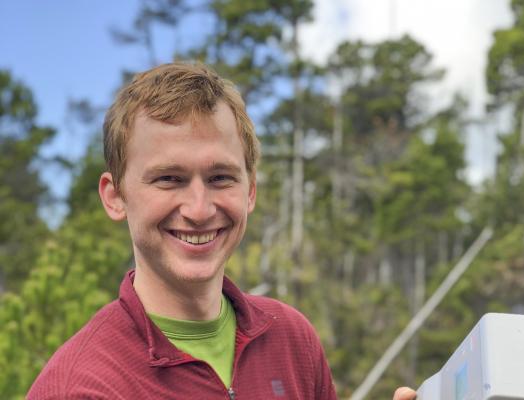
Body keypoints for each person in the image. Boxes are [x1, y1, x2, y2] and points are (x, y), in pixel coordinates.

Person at [27, 62, 416, 400]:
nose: (199, 209)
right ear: (115, 197)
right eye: (168, 178)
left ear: (249, 192)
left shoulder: (292, 340)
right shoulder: (80, 388)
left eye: (220, 177)